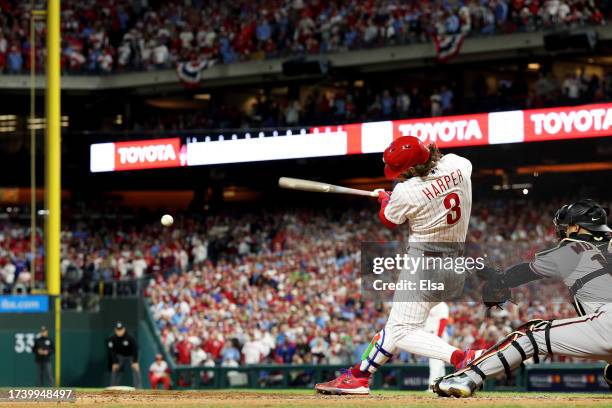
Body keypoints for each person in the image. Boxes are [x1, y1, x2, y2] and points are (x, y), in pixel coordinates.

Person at [315, 136, 479, 395]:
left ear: (410, 169)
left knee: (402, 330)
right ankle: (359, 376)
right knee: (397, 325)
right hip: (456, 266)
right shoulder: (458, 163)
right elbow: (432, 187)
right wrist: (401, 194)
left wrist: (385, 199)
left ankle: (462, 357)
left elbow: (389, 219)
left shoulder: (405, 192)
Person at [434, 199, 612, 397]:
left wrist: (497, 280)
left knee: (530, 335)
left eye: (567, 226)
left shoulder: (573, 248)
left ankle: (468, 377)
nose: (564, 231)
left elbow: (525, 272)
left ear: (577, 227)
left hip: (608, 322)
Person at [107, 322, 143, 388]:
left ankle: (138, 388)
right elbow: (112, 351)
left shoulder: (130, 337)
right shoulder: (112, 339)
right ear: (115, 330)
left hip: (131, 355)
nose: (119, 332)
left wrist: (135, 361)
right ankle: (113, 387)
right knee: (115, 369)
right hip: (120, 356)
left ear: (124, 329)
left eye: (121, 330)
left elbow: (135, 349)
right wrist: (115, 362)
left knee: (136, 368)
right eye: (118, 330)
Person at [424, 302, 450, 387]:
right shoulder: (430, 304)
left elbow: (443, 320)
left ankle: (432, 385)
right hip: (430, 335)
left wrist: (438, 337)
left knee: (435, 361)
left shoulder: (442, 304)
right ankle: (442, 385)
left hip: (437, 335)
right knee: (439, 363)